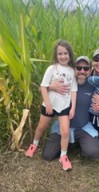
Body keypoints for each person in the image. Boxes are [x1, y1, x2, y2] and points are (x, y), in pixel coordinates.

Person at [25, 40, 77, 171]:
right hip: (50, 105)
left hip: (64, 106)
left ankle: (63, 156)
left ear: (70, 55)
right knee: (41, 127)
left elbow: (73, 90)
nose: (63, 56)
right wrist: (47, 104)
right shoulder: (52, 69)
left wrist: (73, 107)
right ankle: (34, 145)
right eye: (60, 53)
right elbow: (43, 87)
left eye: (66, 53)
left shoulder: (72, 71)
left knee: (65, 132)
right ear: (56, 55)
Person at [42, 56, 99, 161]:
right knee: (48, 155)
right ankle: (68, 142)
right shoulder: (65, 81)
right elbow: (41, 87)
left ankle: (77, 142)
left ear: (90, 70)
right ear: (74, 69)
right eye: (79, 68)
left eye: (86, 68)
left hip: (83, 127)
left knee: (93, 153)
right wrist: (51, 87)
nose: (82, 71)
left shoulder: (93, 84)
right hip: (62, 128)